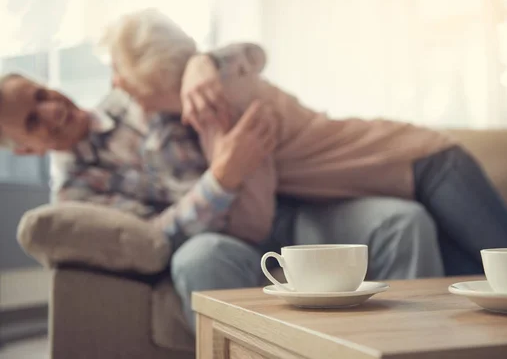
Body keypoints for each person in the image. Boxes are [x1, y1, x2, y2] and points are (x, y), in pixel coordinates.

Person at [104, 9, 507, 277]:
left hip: (429, 166)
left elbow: (253, 223)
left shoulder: (217, 110)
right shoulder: (221, 80)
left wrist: (219, 183)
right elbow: (254, 53)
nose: (120, 87)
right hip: (415, 172)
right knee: (485, 286)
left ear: (152, 76)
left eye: (122, 76)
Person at [0, 72, 443, 329]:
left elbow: (224, 71)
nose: (52, 110)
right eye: (33, 120)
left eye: (41, 94)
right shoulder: (74, 195)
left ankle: (410, 351)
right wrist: (221, 178)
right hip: (213, 241)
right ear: (24, 150)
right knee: (198, 260)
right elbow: (152, 239)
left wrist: (198, 66)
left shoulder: (134, 92)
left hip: (283, 211)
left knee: (402, 221)